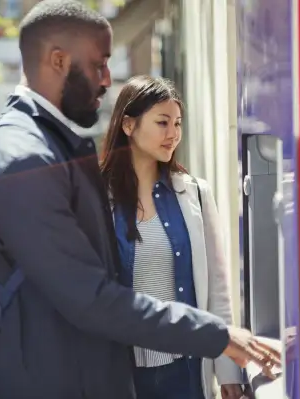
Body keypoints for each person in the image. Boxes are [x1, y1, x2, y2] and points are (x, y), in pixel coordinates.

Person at [0, 1, 280, 398]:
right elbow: (91, 300)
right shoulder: (25, 157)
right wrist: (218, 336)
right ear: (59, 60)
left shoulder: (41, 147)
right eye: (98, 64)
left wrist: (221, 355)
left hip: (176, 374)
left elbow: (212, 290)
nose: (105, 80)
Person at [100, 75, 244, 399]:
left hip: (188, 370)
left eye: (177, 123)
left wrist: (230, 372)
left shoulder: (194, 193)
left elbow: (217, 292)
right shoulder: (96, 199)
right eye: (162, 122)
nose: (173, 134)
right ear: (128, 125)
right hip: (121, 375)